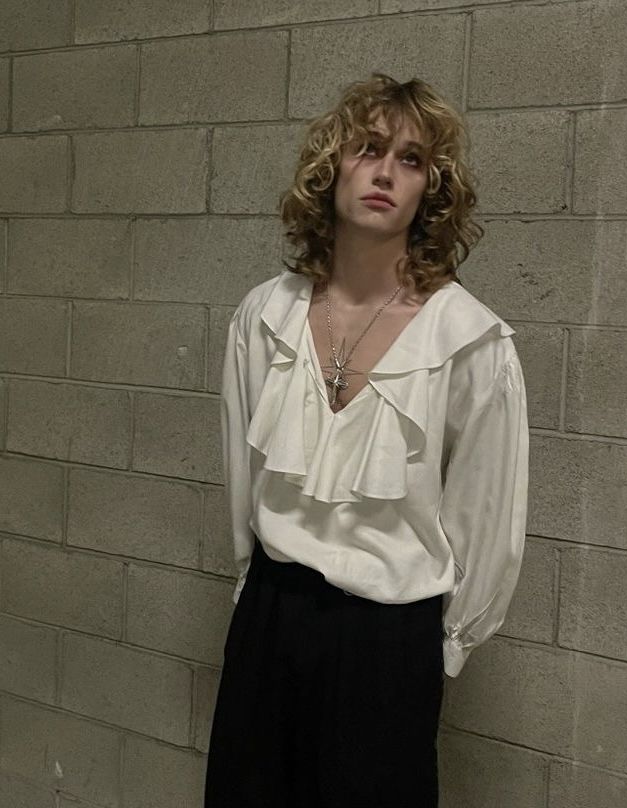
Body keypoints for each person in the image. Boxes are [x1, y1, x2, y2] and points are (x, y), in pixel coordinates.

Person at [204, 72, 529, 808]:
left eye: (411, 160)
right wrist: (255, 599)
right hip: (269, 616)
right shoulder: (265, 315)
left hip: (388, 644)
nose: (385, 171)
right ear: (332, 169)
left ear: (430, 191)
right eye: (369, 148)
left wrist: (436, 655)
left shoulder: (468, 339)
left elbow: (485, 517)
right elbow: (241, 479)